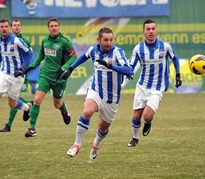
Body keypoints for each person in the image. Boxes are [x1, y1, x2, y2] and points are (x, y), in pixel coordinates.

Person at [62, 27, 131, 160]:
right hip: (96, 91)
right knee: (87, 112)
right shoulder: (93, 50)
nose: (108, 43)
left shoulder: (117, 52)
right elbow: (84, 56)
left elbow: (128, 70)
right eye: (105, 40)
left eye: (111, 40)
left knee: (103, 128)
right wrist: (71, 68)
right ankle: (76, 144)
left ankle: (96, 144)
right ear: (98, 39)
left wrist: (111, 66)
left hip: (112, 98)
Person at [127, 19, 182, 147]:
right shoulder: (138, 48)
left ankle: (148, 122)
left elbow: (175, 58)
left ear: (156, 31)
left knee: (146, 116)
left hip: (157, 88)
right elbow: (132, 65)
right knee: (136, 115)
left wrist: (178, 74)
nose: (151, 31)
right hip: (142, 86)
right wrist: (128, 73)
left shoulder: (165, 47)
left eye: (153, 29)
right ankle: (135, 138)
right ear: (143, 32)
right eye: (148, 29)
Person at [23, 17, 77, 138]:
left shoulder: (64, 42)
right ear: (48, 28)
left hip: (59, 77)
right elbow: (40, 55)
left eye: (56, 26)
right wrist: (33, 65)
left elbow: (74, 57)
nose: (54, 28)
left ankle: (64, 109)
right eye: (51, 26)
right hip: (45, 75)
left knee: (57, 104)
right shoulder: (45, 41)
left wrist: (64, 68)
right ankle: (32, 129)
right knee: (37, 99)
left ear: (59, 27)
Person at [0, 19, 33, 136]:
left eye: (6, 26)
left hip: (17, 76)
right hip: (4, 74)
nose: (4, 29)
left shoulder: (16, 41)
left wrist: (22, 68)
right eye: (1, 27)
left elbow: (30, 54)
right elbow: (0, 55)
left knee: (12, 104)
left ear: (9, 28)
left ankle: (27, 108)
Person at [0, 19, 35, 133]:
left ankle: (9, 124)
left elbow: (29, 56)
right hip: (8, 74)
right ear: (11, 27)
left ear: (21, 27)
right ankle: (29, 104)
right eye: (14, 25)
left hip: (20, 74)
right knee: (13, 97)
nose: (17, 27)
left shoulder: (24, 41)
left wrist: (23, 70)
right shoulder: (5, 41)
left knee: (14, 98)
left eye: (18, 25)